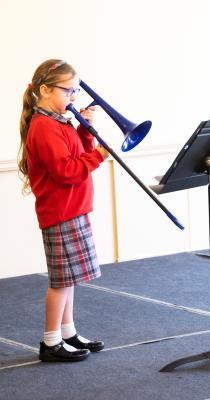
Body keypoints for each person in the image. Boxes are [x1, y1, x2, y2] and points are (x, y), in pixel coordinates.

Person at [18, 59, 109, 362]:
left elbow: (78, 154)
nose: (73, 98)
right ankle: (50, 342)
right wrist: (97, 157)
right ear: (44, 90)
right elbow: (66, 172)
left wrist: (86, 130)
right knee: (60, 281)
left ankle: (67, 332)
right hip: (60, 212)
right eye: (68, 91)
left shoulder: (59, 122)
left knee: (69, 279)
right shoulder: (43, 127)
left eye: (75, 92)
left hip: (74, 209)